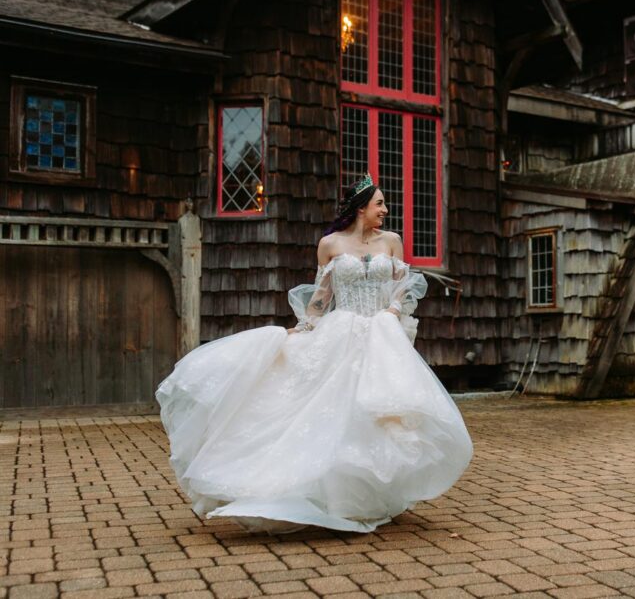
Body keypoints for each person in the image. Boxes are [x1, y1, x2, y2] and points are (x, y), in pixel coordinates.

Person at [156, 173, 473, 534]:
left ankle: (372, 494)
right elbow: (322, 298)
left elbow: (403, 285)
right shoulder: (329, 244)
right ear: (361, 208)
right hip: (341, 331)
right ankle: (315, 490)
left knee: (380, 413)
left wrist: (393, 312)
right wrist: (302, 329)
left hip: (381, 334)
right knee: (330, 410)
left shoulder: (392, 241)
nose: (385, 210)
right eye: (379, 203)